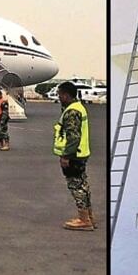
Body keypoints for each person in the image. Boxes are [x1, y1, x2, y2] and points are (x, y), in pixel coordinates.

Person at [54, 81, 94, 231]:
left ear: (66, 95)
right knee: (83, 185)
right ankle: (89, 216)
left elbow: (73, 136)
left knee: (76, 186)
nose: (58, 97)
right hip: (81, 153)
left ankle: (84, 220)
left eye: (59, 94)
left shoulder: (72, 112)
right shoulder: (77, 108)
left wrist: (66, 156)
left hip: (74, 155)